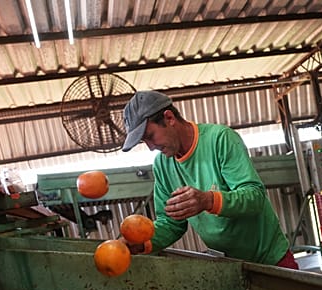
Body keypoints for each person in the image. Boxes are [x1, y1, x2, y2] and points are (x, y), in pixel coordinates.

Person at [121, 90, 299, 269]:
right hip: (230, 267)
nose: (151, 147)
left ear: (169, 118)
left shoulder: (220, 139)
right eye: (145, 142)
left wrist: (208, 200)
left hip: (271, 260)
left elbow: (255, 197)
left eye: (150, 136)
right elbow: (170, 223)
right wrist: (144, 243)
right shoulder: (162, 165)